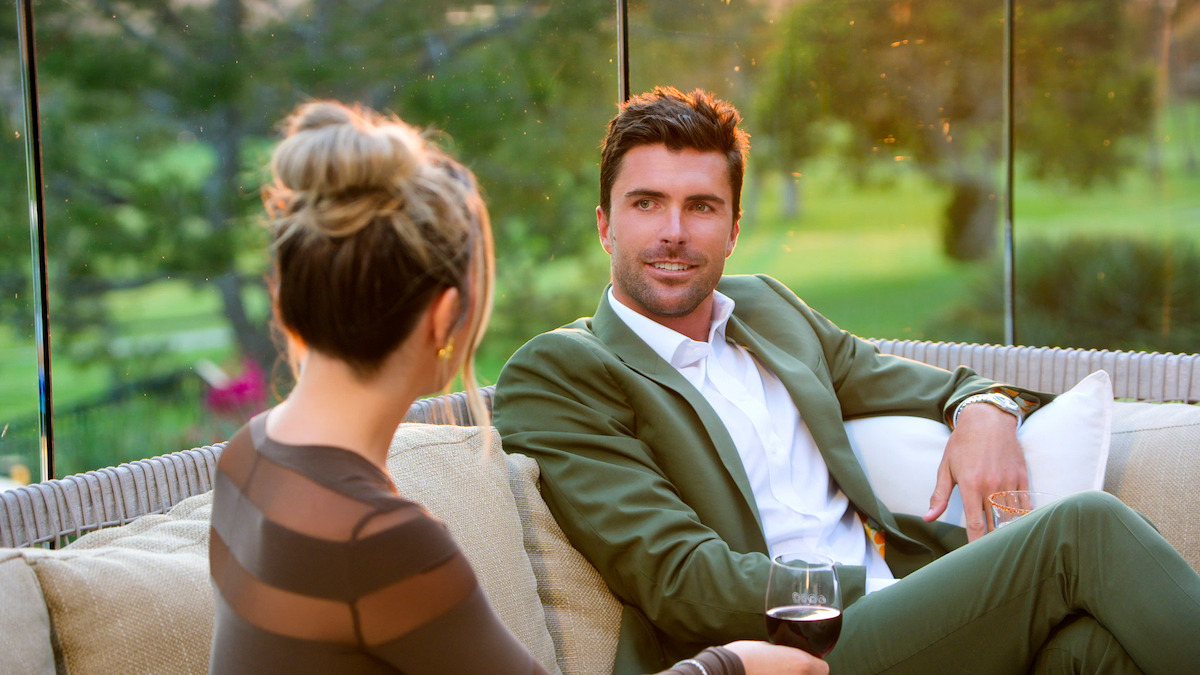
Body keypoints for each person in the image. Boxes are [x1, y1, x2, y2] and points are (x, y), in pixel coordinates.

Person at [492, 86, 1200, 674]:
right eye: (646, 203)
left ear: (733, 227)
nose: (674, 231)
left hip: (900, 633)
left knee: (1092, 652)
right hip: (779, 654)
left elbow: (934, 384)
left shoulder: (769, 310)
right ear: (604, 225)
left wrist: (984, 406)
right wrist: (892, 590)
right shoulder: (563, 371)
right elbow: (686, 582)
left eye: (701, 206)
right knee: (1084, 528)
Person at [206, 100, 826, 675]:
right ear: (443, 317)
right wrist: (732, 667)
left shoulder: (253, 453)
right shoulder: (376, 541)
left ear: (288, 295)